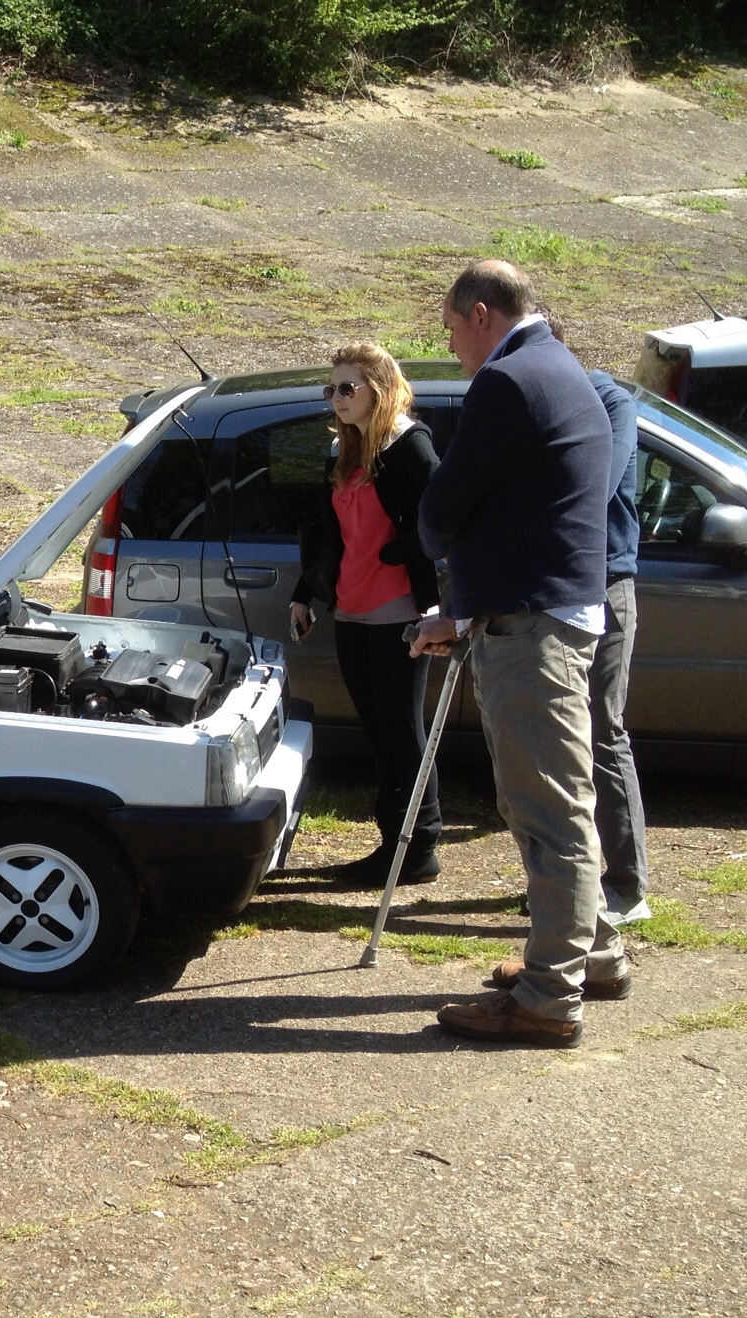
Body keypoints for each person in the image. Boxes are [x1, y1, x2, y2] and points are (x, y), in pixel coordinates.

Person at [412, 259, 625, 1048]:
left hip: (533, 629)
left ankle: (546, 999)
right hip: (552, 613)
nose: (455, 349)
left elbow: (446, 504)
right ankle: (589, 954)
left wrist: (447, 563)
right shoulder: (565, 368)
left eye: (451, 332)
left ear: (478, 313)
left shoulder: (509, 380)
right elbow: (529, 516)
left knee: (549, 815)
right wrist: (461, 610)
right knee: (562, 805)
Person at [289, 342, 444, 888]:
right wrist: (304, 592)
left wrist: (395, 556)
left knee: (401, 729)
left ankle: (418, 844)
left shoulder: (409, 447)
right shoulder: (348, 448)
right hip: (351, 610)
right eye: (331, 389)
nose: (337, 399)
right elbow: (328, 530)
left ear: (379, 388)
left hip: (398, 610)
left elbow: (439, 523)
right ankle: (392, 842)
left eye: (348, 388)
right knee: (378, 731)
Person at [543, 312, 649, 924]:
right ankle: (574, 881)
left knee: (603, 731)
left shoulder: (607, 400)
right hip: (553, 589)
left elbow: (590, 490)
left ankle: (628, 886)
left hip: (603, 585)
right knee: (562, 739)